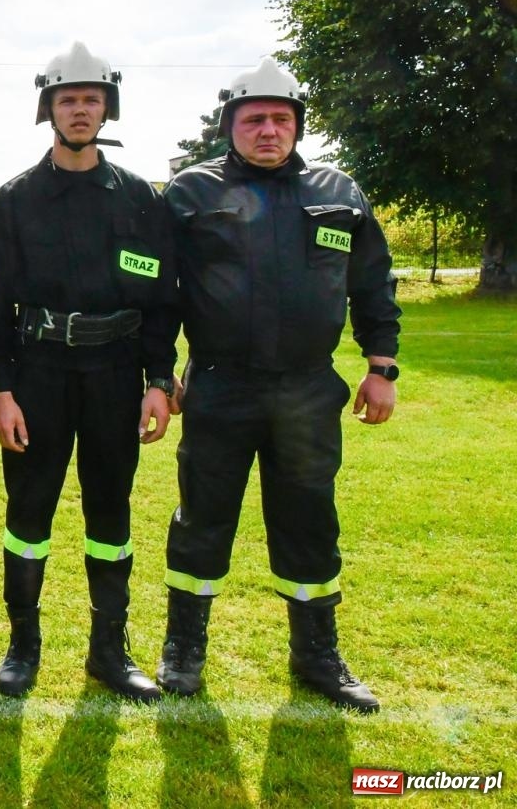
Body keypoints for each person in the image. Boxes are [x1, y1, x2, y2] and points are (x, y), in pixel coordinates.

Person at [157, 57, 400, 713]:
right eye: (254, 119)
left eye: (281, 119)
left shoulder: (339, 193)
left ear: (298, 125)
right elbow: (156, 294)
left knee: (309, 521)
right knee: (203, 519)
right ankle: (184, 648)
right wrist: (158, 375)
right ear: (229, 125)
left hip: (308, 392)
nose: (269, 130)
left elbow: (374, 285)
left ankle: (317, 653)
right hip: (219, 387)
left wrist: (381, 368)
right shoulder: (190, 195)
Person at [0, 42, 175, 702]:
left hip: (114, 373)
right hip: (35, 374)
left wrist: (159, 380)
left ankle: (108, 652)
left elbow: (160, 299)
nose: (80, 109)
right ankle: (22, 647)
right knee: (28, 510)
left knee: (110, 511)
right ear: (49, 108)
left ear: (106, 108)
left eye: (91, 99)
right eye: (68, 99)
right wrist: (2, 391)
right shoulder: (11, 202)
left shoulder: (140, 201)